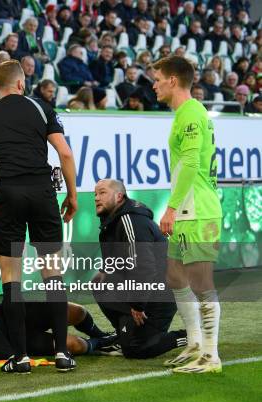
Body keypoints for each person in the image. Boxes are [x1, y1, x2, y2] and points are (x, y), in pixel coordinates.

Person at [0, 60, 78, 373]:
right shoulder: (41, 108)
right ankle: (61, 354)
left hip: (8, 195)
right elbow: (65, 153)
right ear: (21, 82)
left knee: (12, 279)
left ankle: (21, 358)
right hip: (42, 193)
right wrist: (72, 195)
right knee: (52, 275)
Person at [152, 56, 223, 374]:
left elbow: (192, 162)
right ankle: (194, 344)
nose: (153, 84)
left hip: (198, 211)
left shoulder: (192, 112)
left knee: (201, 284)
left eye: (157, 78)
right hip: (188, 211)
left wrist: (170, 207)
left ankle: (211, 355)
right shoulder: (185, 113)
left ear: (173, 80)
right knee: (176, 277)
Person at [92, 179, 188, 359]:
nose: (97, 198)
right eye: (95, 194)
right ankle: (122, 335)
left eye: (102, 193)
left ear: (119, 196)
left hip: (160, 295)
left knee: (136, 349)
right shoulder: (110, 223)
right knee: (100, 282)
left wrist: (137, 304)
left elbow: (144, 268)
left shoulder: (130, 221)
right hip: (142, 290)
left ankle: (187, 336)